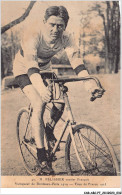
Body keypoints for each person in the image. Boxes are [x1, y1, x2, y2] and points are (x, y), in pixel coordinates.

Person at [13, 6, 103, 174]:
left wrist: (90, 85)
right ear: (44, 22)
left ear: (65, 26)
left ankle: (48, 130)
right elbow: (32, 67)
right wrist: (41, 89)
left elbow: (77, 62)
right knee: (39, 103)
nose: (56, 29)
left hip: (46, 68)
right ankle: (42, 158)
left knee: (60, 101)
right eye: (52, 25)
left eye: (60, 26)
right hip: (24, 69)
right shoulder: (33, 34)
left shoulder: (66, 38)